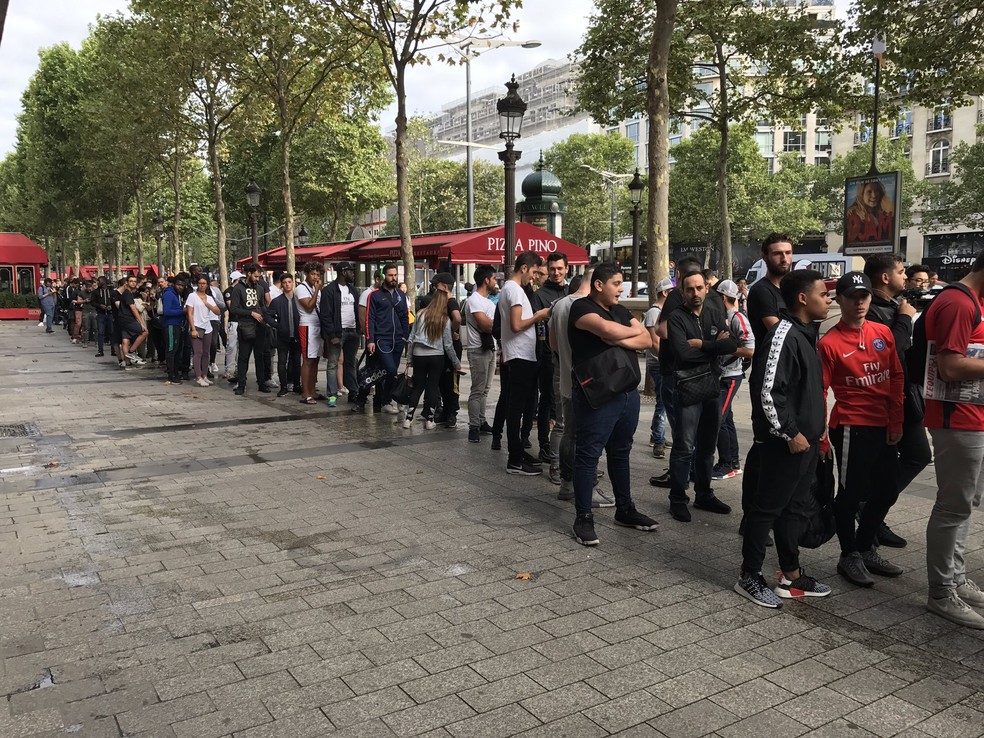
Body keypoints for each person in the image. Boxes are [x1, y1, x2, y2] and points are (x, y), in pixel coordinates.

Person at [735, 269, 832, 608]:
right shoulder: (783, 335)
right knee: (766, 509)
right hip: (785, 443)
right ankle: (749, 575)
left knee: (794, 509)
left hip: (807, 442)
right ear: (803, 298)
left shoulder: (806, 333)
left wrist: (818, 429)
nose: (828, 300)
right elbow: (768, 391)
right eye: (823, 294)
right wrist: (790, 432)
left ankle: (792, 574)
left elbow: (805, 391)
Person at [819, 271, 906, 587]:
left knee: (888, 489)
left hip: (883, 425)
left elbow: (895, 376)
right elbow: (820, 391)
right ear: (840, 300)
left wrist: (896, 420)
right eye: (852, 297)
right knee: (851, 494)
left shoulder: (882, 332)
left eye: (864, 296)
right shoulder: (829, 343)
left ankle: (865, 545)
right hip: (851, 427)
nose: (859, 302)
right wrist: (821, 435)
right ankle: (849, 555)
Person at [568, 263, 658, 546]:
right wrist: (619, 334)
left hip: (628, 394)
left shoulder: (620, 310)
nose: (622, 289)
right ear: (599, 285)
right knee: (588, 455)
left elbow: (647, 339)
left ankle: (625, 509)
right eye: (616, 283)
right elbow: (607, 329)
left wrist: (616, 338)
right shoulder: (581, 308)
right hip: (598, 395)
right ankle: (583, 517)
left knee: (621, 452)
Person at [922, 251, 984, 628]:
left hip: (973, 418)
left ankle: (956, 579)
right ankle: (941, 592)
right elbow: (949, 366)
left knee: (963, 504)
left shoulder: (971, 301)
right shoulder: (958, 303)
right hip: (957, 420)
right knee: (952, 506)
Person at [665, 270, 738, 522]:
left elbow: (732, 345)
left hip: (712, 387)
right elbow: (683, 354)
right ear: (682, 291)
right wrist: (715, 346)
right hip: (688, 388)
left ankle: (704, 494)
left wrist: (703, 345)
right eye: (689, 289)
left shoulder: (714, 313)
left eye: (699, 288)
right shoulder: (676, 318)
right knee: (684, 446)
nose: (695, 293)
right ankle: (677, 499)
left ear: (706, 288)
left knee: (707, 445)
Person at [864, 254, 923, 548]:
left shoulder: (895, 306)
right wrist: (905, 319)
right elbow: (891, 351)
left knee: (916, 456)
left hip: (905, 396)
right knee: (908, 457)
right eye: (901, 272)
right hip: (883, 401)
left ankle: (873, 512)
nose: (906, 277)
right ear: (885, 277)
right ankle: (870, 512)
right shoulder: (873, 311)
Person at [739, 233, 794, 534]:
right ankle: (751, 516)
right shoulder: (762, 292)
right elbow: (783, 333)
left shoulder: (791, 288)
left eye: (787, 252)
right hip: (768, 376)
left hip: (790, 376)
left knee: (778, 446)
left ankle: (773, 513)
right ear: (765, 256)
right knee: (763, 447)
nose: (784, 258)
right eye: (777, 253)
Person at [499, 252, 552, 475]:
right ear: (523, 268)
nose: (534, 277)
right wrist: (539, 315)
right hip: (519, 355)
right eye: (533, 272)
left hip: (521, 355)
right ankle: (514, 459)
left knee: (520, 406)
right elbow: (517, 325)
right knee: (516, 408)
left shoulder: (511, 289)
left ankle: (518, 452)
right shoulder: (514, 290)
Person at [712, 279, 754, 481]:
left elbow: (750, 350)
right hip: (723, 374)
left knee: (718, 419)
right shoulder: (725, 317)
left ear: (722, 297)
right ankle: (732, 462)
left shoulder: (737, 318)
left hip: (730, 376)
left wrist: (724, 347)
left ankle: (726, 463)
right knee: (726, 419)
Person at [531, 253, 569, 466]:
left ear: (567, 269)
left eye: (559, 268)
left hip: (571, 357)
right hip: (548, 356)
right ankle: (544, 443)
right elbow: (538, 327)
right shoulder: (540, 295)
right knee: (547, 400)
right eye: (552, 269)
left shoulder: (571, 291)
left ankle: (569, 452)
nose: (556, 272)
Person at [357, 263, 409, 414]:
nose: (393, 278)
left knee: (389, 371)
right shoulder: (374, 295)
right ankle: (384, 400)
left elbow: (405, 316)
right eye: (390, 275)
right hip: (382, 339)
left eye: (395, 275)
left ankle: (386, 400)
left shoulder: (401, 295)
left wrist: (406, 336)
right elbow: (370, 318)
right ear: (383, 276)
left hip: (398, 339)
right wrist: (370, 339)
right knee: (391, 370)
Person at [404, 288, 460, 428]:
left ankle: (408, 418)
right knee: (432, 387)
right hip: (436, 355)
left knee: (418, 386)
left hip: (419, 354)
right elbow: (448, 345)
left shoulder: (420, 314)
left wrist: (409, 359)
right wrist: (456, 362)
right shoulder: (444, 319)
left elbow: (411, 338)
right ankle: (429, 420)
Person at [319, 261, 361, 407]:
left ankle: (354, 392)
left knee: (351, 363)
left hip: (352, 331)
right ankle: (332, 394)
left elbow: (357, 310)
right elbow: (325, 315)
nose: (353, 274)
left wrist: (359, 329)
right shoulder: (329, 291)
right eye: (351, 271)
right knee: (333, 364)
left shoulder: (353, 290)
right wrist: (332, 335)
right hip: (338, 333)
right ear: (343, 272)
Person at [463, 265, 497, 443]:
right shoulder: (474, 300)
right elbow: (485, 325)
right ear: (486, 280)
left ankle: (481, 421)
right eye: (494, 278)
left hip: (490, 347)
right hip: (478, 349)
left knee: (486, 389)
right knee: (477, 390)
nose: (495, 282)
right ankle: (474, 427)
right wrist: (497, 324)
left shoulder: (488, 302)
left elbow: (491, 324)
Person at [229, 264, 270, 396]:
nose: (257, 279)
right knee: (243, 356)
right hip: (245, 326)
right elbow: (233, 309)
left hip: (259, 326)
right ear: (249, 274)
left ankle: (261, 382)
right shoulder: (238, 289)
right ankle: (241, 384)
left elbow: (262, 306)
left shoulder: (260, 289)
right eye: (256, 276)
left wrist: (267, 318)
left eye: (259, 277)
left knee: (260, 356)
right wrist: (251, 313)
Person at [644, 279, 674, 459]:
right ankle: (658, 440)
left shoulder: (661, 312)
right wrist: (666, 358)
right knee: (662, 403)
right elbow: (654, 342)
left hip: (661, 362)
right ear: (664, 293)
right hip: (658, 363)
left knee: (664, 401)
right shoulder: (654, 313)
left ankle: (657, 433)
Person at [431, 272, 463, 428]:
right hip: (442, 347)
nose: (434, 288)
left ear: (444, 287)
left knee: (451, 382)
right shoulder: (440, 303)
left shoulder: (451, 302)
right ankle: (445, 410)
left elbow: (457, 318)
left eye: (436, 285)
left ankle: (452, 412)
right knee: (443, 380)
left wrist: (450, 332)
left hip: (452, 347)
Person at [267, 273, 301, 397]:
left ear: (293, 283)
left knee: (296, 361)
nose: (287, 285)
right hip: (283, 336)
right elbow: (268, 316)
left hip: (297, 335)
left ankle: (296, 385)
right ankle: (284, 386)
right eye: (285, 282)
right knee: (282, 361)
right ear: (281, 284)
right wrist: (277, 325)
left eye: (289, 282)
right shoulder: (277, 301)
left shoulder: (298, 299)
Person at [294, 262, 324, 404]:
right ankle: (305, 393)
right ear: (306, 274)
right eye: (313, 274)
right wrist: (317, 290)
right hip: (307, 325)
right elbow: (309, 307)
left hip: (318, 326)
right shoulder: (301, 288)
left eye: (318, 274)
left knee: (315, 359)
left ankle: (312, 390)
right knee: (307, 360)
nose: (315, 277)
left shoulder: (315, 288)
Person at [185, 275, 221, 387]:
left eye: (204, 283)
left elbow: (218, 311)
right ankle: (198, 376)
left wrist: (207, 304)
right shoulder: (192, 296)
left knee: (206, 353)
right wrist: (193, 328)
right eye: (200, 283)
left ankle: (205, 375)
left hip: (207, 327)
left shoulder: (209, 298)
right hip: (196, 326)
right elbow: (189, 313)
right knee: (198, 352)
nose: (202, 285)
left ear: (207, 285)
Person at [846, 179, 894, 243]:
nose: (874, 195)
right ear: (861, 194)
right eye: (869, 192)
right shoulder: (852, 214)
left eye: (876, 191)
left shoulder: (883, 213)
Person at [160, 275, 188, 384]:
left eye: (182, 285)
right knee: (171, 350)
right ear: (173, 284)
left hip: (177, 325)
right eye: (178, 285)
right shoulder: (169, 294)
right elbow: (167, 311)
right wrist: (182, 311)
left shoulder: (176, 295)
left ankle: (175, 372)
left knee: (177, 350)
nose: (180, 287)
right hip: (170, 325)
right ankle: (171, 375)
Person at [119, 275, 149, 366]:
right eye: (131, 281)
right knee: (144, 332)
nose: (133, 283)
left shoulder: (128, 293)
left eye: (134, 281)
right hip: (128, 319)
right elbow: (133, 309)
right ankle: (131, 352)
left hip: (123, 319)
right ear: (127, 282)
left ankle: (127, 362)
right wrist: (141, 322)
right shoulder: (128, 293)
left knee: (125, 340)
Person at [223, 271, 244, 382]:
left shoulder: (242, 290)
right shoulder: (229, 292)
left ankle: (238, 370)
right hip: (234, 321)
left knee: (241, 347)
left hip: (242, 321)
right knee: (231, 346)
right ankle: (229, 370)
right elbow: (232, 307)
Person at [91, 276, 114, 355]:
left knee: (112, 332)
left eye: (99, 281)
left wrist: (111, 306)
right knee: (100, 332)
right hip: (101, 314)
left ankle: (114, 350)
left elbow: (115, 300)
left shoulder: (111, 291)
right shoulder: (96, 292)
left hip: (110, 314)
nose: (98, 283)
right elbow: (92, 302)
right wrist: (100, 305)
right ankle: (100, 350)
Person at [79, 280, 97, 348]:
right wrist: (84, 301)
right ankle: (85, 342)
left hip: (94, 310)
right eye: (88, 287)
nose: (89, 289)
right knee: (86, 327)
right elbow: (78, 300)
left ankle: (97, 342)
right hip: (86, 311)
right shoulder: (82, 293)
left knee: (96, 327)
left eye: (90, 287)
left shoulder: (95, 292)